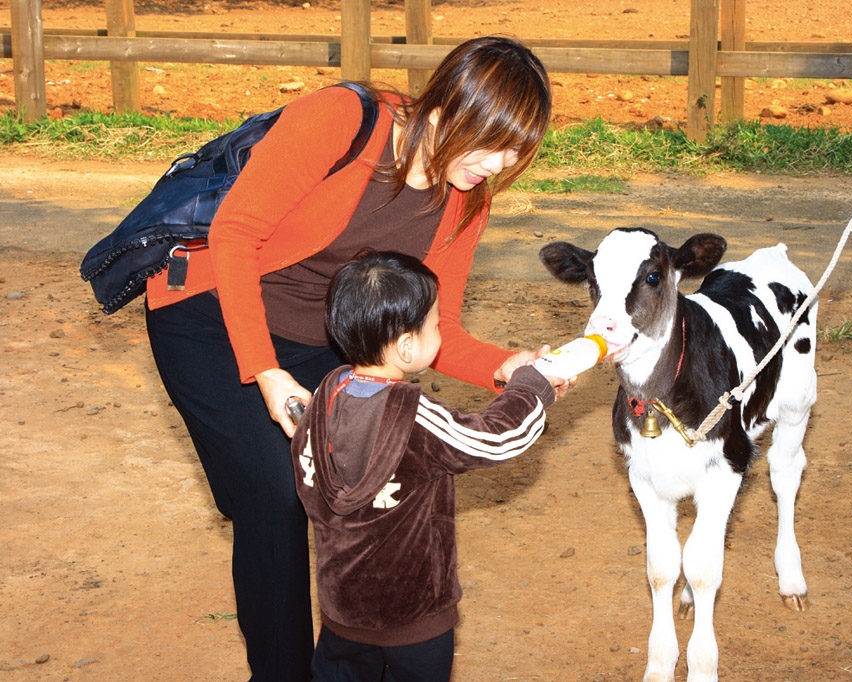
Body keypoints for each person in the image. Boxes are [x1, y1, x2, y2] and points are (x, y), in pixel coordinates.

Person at [144, 36, 555, 681]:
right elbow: (235, 233)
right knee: (275, 495)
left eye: (515, 152)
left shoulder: (466, 199)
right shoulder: (343, 120)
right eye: (492, 141)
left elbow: (436, 328)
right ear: (450, 106)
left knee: (357, 485)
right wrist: (266, 371)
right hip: (211, 315)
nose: (499, 164)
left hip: (324, 341)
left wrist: (510, 366)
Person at [291, 250, 556, 682]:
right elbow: (496, 439)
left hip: (343, 612)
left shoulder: (323, 398)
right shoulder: (411, 415)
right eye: (436, 325)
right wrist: (532, 387)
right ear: (407, 345)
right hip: (413, 617)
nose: (441, 332)